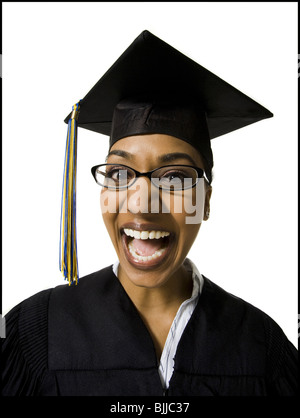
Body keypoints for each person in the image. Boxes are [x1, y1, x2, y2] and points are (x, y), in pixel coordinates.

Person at [1, 30, 297, 396]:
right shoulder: (35, 331)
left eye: (174, 177)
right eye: (119, 174)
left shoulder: (260, 346)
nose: (141, 203)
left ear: (205, 201)